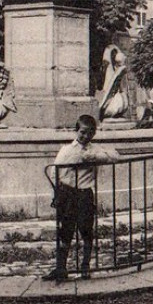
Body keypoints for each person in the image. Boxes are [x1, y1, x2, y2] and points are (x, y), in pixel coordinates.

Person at [43, 114, 119, 282]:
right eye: (83, 132)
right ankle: (61, 268)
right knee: (66, 232)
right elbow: (55, 172)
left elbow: (115, 156)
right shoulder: (67, 150)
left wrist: (93, 157)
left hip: (85, 194)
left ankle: (85, 266)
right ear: (76, 131)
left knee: (86, 231)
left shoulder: (94, 150)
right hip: (68, 194)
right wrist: (56, 194)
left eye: (90, 133)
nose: (86, 136)